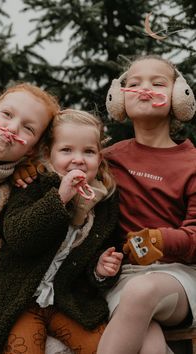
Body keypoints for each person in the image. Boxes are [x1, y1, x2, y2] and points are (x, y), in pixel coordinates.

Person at [0, 109, 123, 354]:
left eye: (88, 151)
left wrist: (101, 270)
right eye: (66, 150)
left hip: (66, 300)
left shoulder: (104, 200)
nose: (78, 159)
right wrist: (60, 197)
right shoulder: (32, 185)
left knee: (104, 347)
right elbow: (19, 237)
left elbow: (103, 251)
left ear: (99, 158)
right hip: (18, 298)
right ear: (48, 154)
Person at [96, 55, 196, 354]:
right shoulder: (107, 159)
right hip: (122, 280)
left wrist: (158, 238)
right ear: (118, 98)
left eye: (157, 83)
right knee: (150, 344)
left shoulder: (192, 162)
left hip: (179, 278)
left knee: (142, 292)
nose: (144, 89)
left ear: (179, 96)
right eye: (134, 83)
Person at [0, 82, 60, 354]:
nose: (12, 128)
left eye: (28, 128)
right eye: (6, 114)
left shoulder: (23, 184)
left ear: (32, 149)